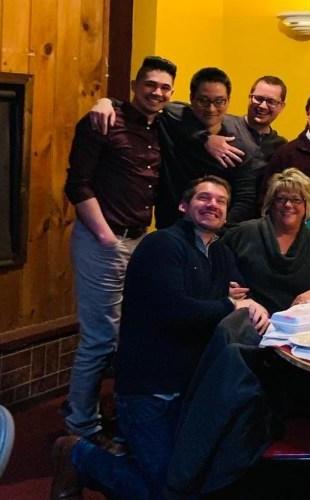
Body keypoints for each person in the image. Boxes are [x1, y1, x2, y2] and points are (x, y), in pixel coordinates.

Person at [51, 176, 270, 500]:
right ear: (183, 206)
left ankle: (127, 456)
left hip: (189, 387)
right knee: (167, 492)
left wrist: (247, 305)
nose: (213, 205)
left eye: (221, 201)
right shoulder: (162, 245)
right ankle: (79, 456)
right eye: (204, 198)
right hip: (149, 389)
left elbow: (237, 293)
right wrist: (230, 303)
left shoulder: (219, 252)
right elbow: (175, 311)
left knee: (193, 477)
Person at [62, 56, 177, 454]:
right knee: (99, 338)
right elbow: (77, 185)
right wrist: (107, 239)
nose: (157, 92)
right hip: (103, 241)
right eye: (150, 85)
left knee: (124, 335)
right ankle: (81, 427)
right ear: (135, 84)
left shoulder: (160, 123)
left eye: (165, 87)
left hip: (138, 241)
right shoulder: (103, 121)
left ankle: (96, 412)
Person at [90, 67, 263, 229]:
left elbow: (245, 198)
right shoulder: (172, 122)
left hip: (215, 235)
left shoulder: (241, 145)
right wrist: (107, 101)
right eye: (203, 100)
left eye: (219, 101)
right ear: (191, 99)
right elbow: (152, 106)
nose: (211, 108)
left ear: (228, 101)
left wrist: (218, 232)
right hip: (169, 228)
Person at [222, 168, 310, 314]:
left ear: (306, 205)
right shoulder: (243, 233)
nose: (288, 205)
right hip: (250, 321)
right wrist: (224, 290)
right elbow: (209, 266)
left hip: (300, 325)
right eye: (281, 199)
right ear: (271, 202)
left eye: (296, 200)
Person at [204, 75, 289, 170]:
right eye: (258, 98)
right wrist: (206, 140)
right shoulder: (223, 123)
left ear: (281, 107)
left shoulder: (281, 147)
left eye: (271, 101)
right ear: (249, 97)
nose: (263, 106)